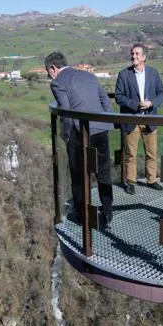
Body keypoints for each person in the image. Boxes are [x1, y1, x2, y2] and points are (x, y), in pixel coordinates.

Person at [46, 52, 113, 225]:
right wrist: (106, 123)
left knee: (79, 174)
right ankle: (107, 210)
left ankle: (83, 216)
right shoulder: (88, 76)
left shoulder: (58, 83)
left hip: (79, 133)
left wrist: (66, 136)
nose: (48, 75)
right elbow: (105, 101)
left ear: (53, 68)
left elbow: (67, 113)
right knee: (103, 171)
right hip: (101, 130)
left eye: (48, 71)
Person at [115, 43, 163, 195]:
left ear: (144, 57)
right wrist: (136, 105)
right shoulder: (123, 74)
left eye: (137, 54)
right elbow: (119, 96)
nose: (134, 56)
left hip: (150, 119)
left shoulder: (153, 73)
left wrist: (151, 103)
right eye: (132, 53)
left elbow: (161, 93)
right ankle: (131, 182)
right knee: (131, 154)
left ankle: (151, 180)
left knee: (151, 153)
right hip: (132, 120)